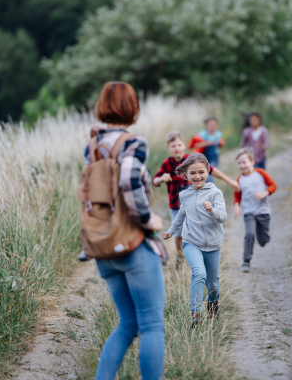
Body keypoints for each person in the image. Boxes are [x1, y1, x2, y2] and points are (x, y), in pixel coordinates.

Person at [85, 81, 165, 380]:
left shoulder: (93, 145)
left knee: (128, 323)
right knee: (152, 325)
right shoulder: (133, 142)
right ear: (132, 108)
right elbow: (129, 180)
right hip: (133, 244)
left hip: (104, 245)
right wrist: (148, 220)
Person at [153, 131, 239, 270]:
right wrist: (161, 178)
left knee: (196, 227)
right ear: (168, 148)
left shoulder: (191, 160)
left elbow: (212, 170)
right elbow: (155, 180)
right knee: (179, 232)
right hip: (176, 205)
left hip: (196, 204)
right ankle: (180, 256)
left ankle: (200, 254)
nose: (176, 148)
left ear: (184, 145)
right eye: (173, 146)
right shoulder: (168, 164)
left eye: (179, 145)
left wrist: (229, 181)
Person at [162, 153, 227, 325]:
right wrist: (171, 231)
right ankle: (195, 314)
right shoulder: (184, 195)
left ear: (207, 172)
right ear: (185, 175)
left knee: (212, 284)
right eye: (192, 173)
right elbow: (181, 216)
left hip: (213, 244)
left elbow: (223, 217)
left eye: (201, 172)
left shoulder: (215, 193)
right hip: (191, 242)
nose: (197, 176)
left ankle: (213, 305)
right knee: (199, 273)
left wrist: (212, 210)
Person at [233, 147, 277, 272]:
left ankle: (263, 239)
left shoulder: (261, 173)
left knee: (263, 240)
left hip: (263, 211)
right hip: (248, 211)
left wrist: (265, 193)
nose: (241, 165)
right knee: (250, 234)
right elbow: (237, 196)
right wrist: (237, 207)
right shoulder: (239, 180)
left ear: (252, 161)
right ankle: (246, 261)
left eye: (244, 162)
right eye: (239, 163)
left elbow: (273, 185)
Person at [188, 117, 225, 181]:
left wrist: (221, 143)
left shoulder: (217, 134)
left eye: (214, 125)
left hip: (214, 156)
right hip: (204, 156)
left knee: (211, 172)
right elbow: (195, 145)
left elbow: (222, 143)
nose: (212, 126)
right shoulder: (203, 134)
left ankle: (209, 187)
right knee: (204, 172)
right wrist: (207, 143)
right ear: (206, 126)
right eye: (210, 125)